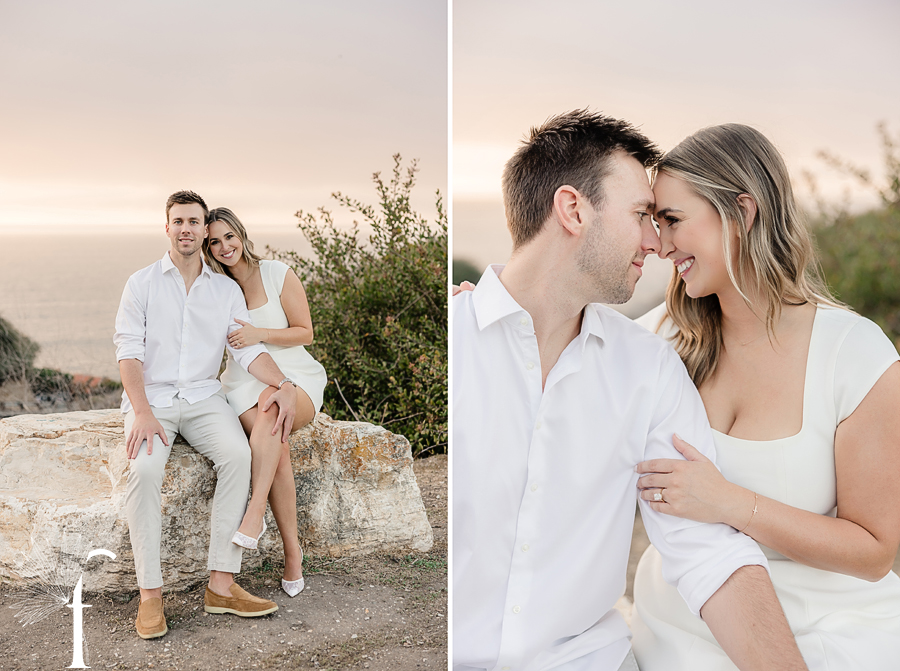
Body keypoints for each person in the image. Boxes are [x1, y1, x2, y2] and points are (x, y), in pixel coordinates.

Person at [453, 110, 808, 671]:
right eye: (643, 214)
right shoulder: (452, 343)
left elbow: (707, 552)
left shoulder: (649, 370)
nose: (656, 241)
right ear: (573, 210)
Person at [629, 124, 900, 669]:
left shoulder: (854, 354)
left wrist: (728, 503)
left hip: (829, 633)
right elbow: (557, 351)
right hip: (678, 633)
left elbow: (875, 552)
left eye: (674, 220)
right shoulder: (657, 338)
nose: (660, 245)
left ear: (743, 212)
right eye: (654, 223)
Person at [114, 190, 300, 639]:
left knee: (238, 456)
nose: (186, 229)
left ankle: (221, 583)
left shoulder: (224, 290)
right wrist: (141, 411)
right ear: (167, 227)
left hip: (203, 398)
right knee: (143, 469)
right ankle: (151, 596)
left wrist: (284, 384)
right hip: (153, 403)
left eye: (194, 222)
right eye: (178, 221)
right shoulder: (141, 284)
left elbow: (249, 350)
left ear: (203, 229)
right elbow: (128, 354)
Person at [202, 207, 327, 598]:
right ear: (207, 248)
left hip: (296, 376)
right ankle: (293, 553)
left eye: (229, 237)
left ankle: (254, 513)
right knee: (277, 441)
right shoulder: (215, 288)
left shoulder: (277, 273)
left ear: (241, 234)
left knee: (274, 413)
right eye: (214, 242)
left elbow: (305, 332)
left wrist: (260, 333)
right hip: (242, 382)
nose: (225, 247)